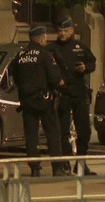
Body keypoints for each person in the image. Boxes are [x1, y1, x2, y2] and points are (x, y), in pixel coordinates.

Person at [11, 23, 66, 177]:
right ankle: (57, 168)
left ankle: (34, 168)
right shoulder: (44, 55)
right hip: (44, 101)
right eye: (45, 37)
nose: (47, 40)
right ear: (40, 38)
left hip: (27, 101)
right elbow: (56, 79)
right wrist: (61, 83)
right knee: (53, 133)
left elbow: (14, 77)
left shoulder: (20, 56)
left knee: (31, 135)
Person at [46, 15, 97, 175]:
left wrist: (85, 68)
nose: (62, 34)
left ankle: (81, 164)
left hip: (79, 92)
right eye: (60, 31)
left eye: (66, 31)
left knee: (84, 130)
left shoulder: (80, 46)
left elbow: (92, 62)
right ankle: (65, 163)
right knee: (63, 131)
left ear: (72, 30)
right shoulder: (52, 48)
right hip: (62, 94)